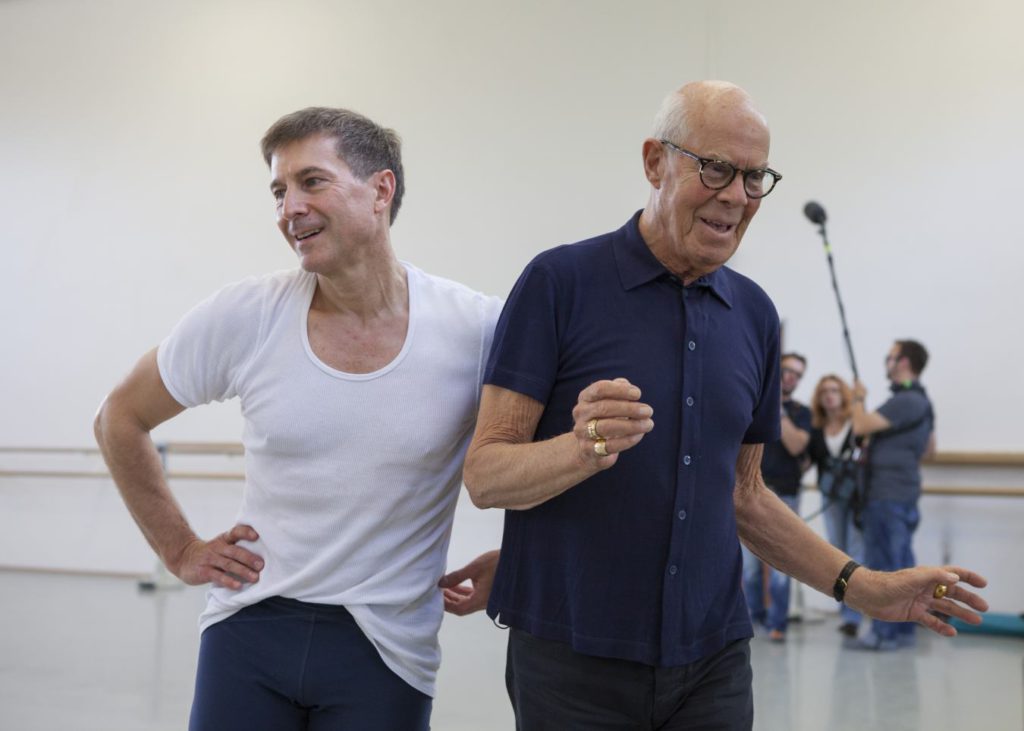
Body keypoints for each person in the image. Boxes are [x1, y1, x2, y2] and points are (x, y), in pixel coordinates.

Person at [460, 81, 987, 730]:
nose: (737, 196)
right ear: (655, 161)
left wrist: (866, 584)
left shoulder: (756, 316)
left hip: (712, 660)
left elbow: (746, 493)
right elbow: (485, 474)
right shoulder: (557, 285)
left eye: (754, 176)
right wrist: (577, 449)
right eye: (716, 168)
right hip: (574, 660)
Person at [93, 107, 502, 730]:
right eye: (279, 191)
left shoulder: (476, 328)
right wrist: (178, 548)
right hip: (248, 632)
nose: (289, 209)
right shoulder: (247, 314)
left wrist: (521, 560)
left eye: (312, 182)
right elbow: (118, 417)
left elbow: (550, 451)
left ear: (381, 190)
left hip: (387, 650)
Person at [849, 339, 935, 650]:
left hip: (886, 495)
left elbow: (860, 424)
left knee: (885, 567)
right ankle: (902, 633)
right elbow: (930, 449)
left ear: (902, 362)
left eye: (890, 356)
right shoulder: (922, 401)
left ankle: (884, 635)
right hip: (901, 493)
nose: (887, 361)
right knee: (901, 563)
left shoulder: (907, 399)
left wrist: (858, 397)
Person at [742, 352, 811, 642]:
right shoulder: (753, 403)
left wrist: (777, 408)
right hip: (748, 492)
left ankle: (777, 623)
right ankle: (752, 620)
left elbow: (796, 447)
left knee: (782, 564)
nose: (791, 377)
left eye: (798, 374)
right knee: (749, 568)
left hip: (785, 494)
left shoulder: (801, 413)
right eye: (787, 370)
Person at [807, 374, 864, 637]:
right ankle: (846, 611)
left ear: (843, 395)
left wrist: (861, 400)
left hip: (856, 497)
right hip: (830, 496)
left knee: (856, 551)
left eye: (834, 390)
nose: (829, 395)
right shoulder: (816, 428)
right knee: (836, 551)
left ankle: (854, 615)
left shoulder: (855, 424)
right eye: (824, 391)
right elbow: (809, 461)